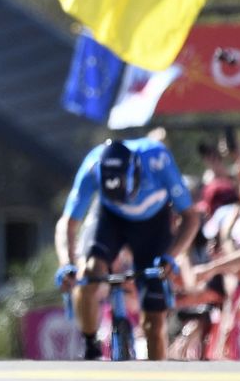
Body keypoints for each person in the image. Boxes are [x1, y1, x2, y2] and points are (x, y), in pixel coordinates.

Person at [54, 138, 200, 360]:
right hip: (109, 219)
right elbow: (68, 223)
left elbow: (190, 218)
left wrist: (171, 257)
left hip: (152, 223)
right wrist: (67, 263)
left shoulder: (157, 159)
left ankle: (156, 371)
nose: (125, 203)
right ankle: (90, 344)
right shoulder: (93, 165)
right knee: (89, 272)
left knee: (153, 322)